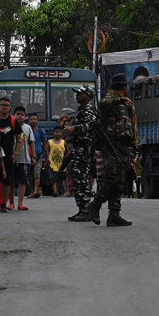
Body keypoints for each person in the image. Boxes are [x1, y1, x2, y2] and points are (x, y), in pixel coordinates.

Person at [88, 73, 137, 227]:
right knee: (114, 179)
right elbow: (103, 103)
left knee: (120, 180)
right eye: (126, 86)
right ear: (124, 87)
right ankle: (95, 204)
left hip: (122, 144)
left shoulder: (125, 104)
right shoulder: (111, 99)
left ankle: (114, 213)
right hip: (111, 143)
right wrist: (118, 99)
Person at [63, 85, 97, 221]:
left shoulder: (89, 110)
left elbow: (89, 125)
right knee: (77, 179)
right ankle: (82, 209)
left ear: (88, 96)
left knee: (82, 179)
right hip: (78, 147)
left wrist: (73, 128)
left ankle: (86, 210)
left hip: (85, 148)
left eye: (80, 93)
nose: (77, 96)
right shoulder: (81, 110)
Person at [0, 97, 23, 211]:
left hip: (7, 155)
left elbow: (19, 139)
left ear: (10, 107)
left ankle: (3, 204)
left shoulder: (13, 120)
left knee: (6, 179)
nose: (5, 107)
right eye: (2, 105)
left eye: (7, 105)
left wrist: (16, 153)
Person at [12, 106, 36, 210]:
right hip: (12, 158)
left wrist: (33, 156)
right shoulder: (10, 126)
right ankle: (11, 202)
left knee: (22, 181)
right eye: (18, 114)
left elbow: (31, 143)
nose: (20, 116)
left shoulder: (28, 128)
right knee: (11, 181)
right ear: (14, 115)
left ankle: (20, 203)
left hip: (24, 158)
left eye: (22, 114)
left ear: (25, 116)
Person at [27, 113, 49, 198]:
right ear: (28, 120)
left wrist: (47, 156)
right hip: (28, 155)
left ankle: (36, 191)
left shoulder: (40, 131)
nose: (33, 121)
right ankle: (31, 191)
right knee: (29, 174)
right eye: (31, 119)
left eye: (35, 119)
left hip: (39, 155)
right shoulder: (26, 130)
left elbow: (45, 143)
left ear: (37, 120)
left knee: (37, 173)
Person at [47, 127, 67, 196]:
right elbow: (47, 151)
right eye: (56, 132)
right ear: (53, 133)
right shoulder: (50, 142)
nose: (57, 133)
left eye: (59, 132)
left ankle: (58, 190)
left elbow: (67, 152)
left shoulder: (63, 142)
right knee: (53, 177)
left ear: (61, 133)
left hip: (61, 162)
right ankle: (55, 191)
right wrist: (47, 158)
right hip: (52, 161)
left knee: (61, 177)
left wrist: (67, 160)